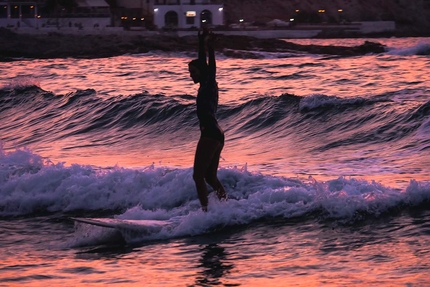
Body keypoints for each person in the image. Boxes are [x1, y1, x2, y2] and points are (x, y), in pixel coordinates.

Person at [189, 29, 227, 212]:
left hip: (210, 133)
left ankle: (205, 212)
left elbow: (210, 67)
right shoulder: (206, 84)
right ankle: (225, 207)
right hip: (217, 134)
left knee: (198, 177)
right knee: (210, 178)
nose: (191, 76)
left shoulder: (210, 82)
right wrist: (201, 41)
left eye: (193, 72)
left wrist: (210, 48)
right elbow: (203, 64)